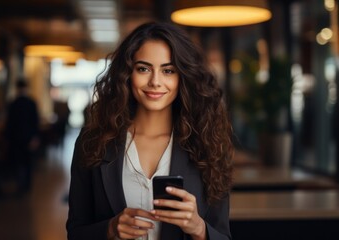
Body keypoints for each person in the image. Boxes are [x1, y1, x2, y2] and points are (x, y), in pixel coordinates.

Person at [66, 22, 234, 240]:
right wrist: (110, 229)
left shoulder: (208, 146)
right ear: (127, 74)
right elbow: (75, 233)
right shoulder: (93, 142)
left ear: (183, 76)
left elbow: (223, 236)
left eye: (168, 70)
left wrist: (198, 228)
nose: (155, 82)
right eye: (143, 69)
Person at [3, 78, 40, 195]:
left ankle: (20, 185)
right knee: (28, 163)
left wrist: (7, 139)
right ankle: (27, 186)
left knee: (18, 163)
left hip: (16, 139)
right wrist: (35, 137)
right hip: (28, 138)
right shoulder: (31, 103)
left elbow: (9, 123)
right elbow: (35, 122)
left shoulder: (13, 103)